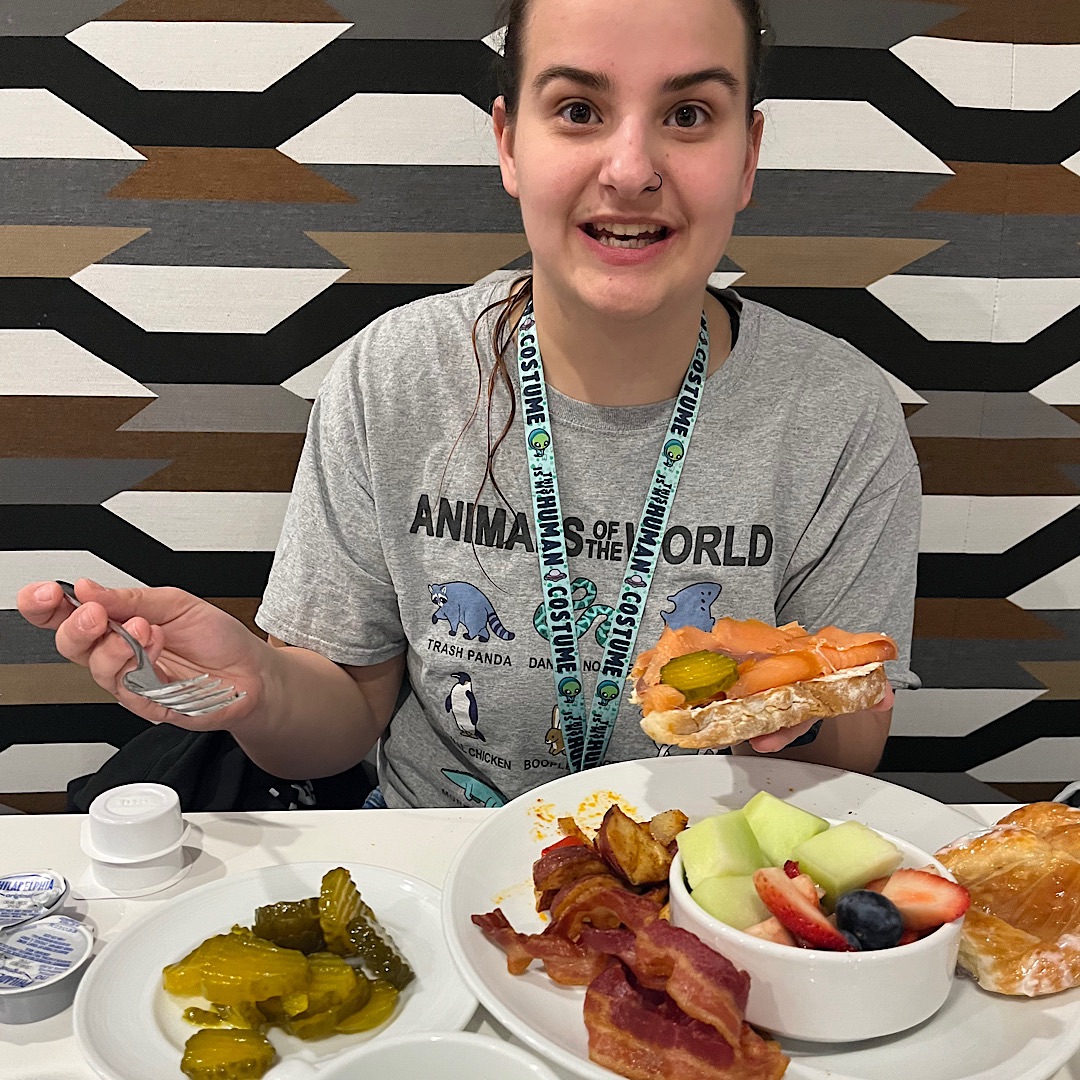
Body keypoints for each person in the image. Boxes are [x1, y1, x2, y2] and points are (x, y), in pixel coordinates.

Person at [17, 0, 919, 810]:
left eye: (688, 115)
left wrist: (792, 715)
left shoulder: (839, 416)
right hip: (434, 872)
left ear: (748, 155)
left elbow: (853, 748)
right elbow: (344, 721)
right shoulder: (395, 375)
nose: (631, 169)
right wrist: (257, 684)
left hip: (709, 884)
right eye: (579, 110)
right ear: (509, 143)